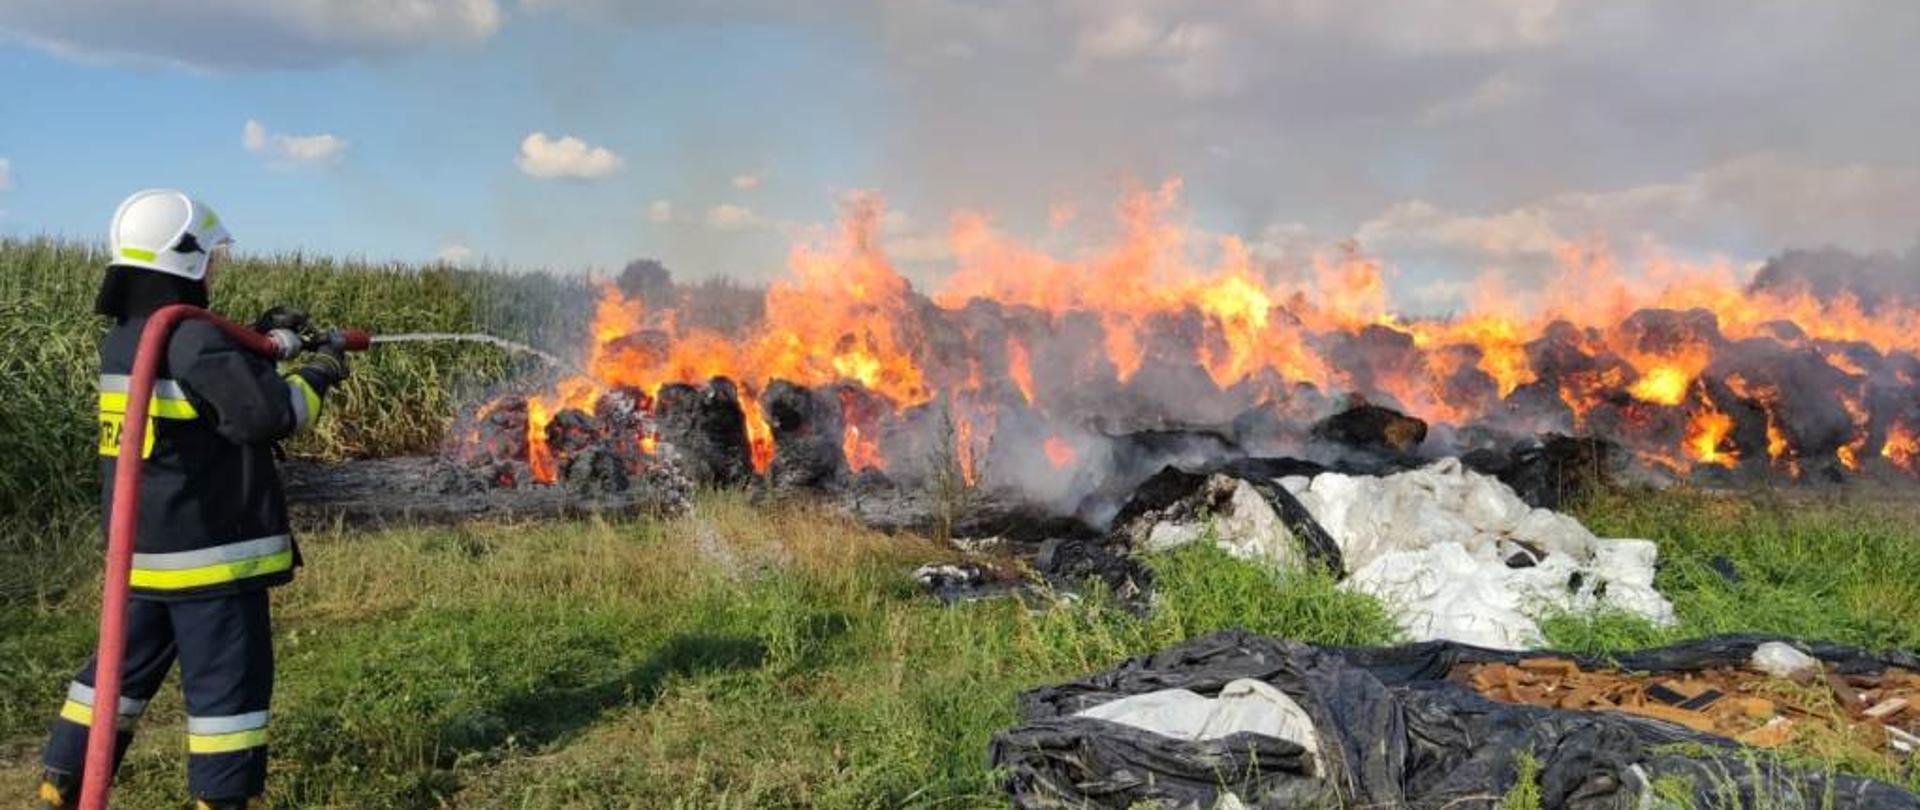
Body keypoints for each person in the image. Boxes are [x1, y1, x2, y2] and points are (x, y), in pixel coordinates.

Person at [36, 189, 350, 810]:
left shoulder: (129, 339)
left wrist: (256, 341)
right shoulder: (194, 342)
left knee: (115, 676)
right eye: (211, 258)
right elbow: (271, 415)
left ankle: (60, 782)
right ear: (185, 258)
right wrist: (321, 372)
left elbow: (202, 393)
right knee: (226, 693)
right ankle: (222, 798)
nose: (215, 269)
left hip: (142, 554)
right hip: (211, 559)